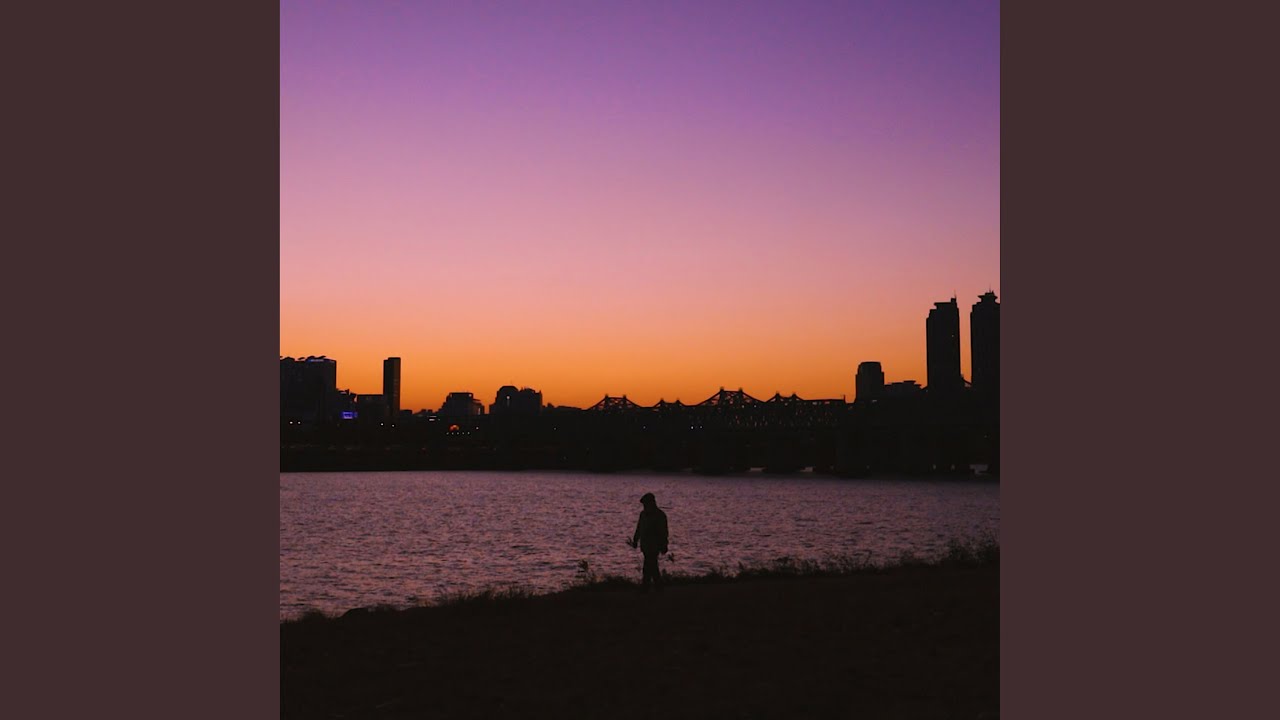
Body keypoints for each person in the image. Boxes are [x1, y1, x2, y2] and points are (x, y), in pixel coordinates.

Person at [628, 492, 669, 592]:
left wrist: (664, 545)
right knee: (651, 566)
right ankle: (655, 586)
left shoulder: (660, 515)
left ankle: (648, 586)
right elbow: (639, 528)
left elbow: (663, 532)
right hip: (645, 545)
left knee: (650, 565)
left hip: (654, 545)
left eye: (646, 504)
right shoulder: (643, 514)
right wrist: (635, 540)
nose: (644, 506)